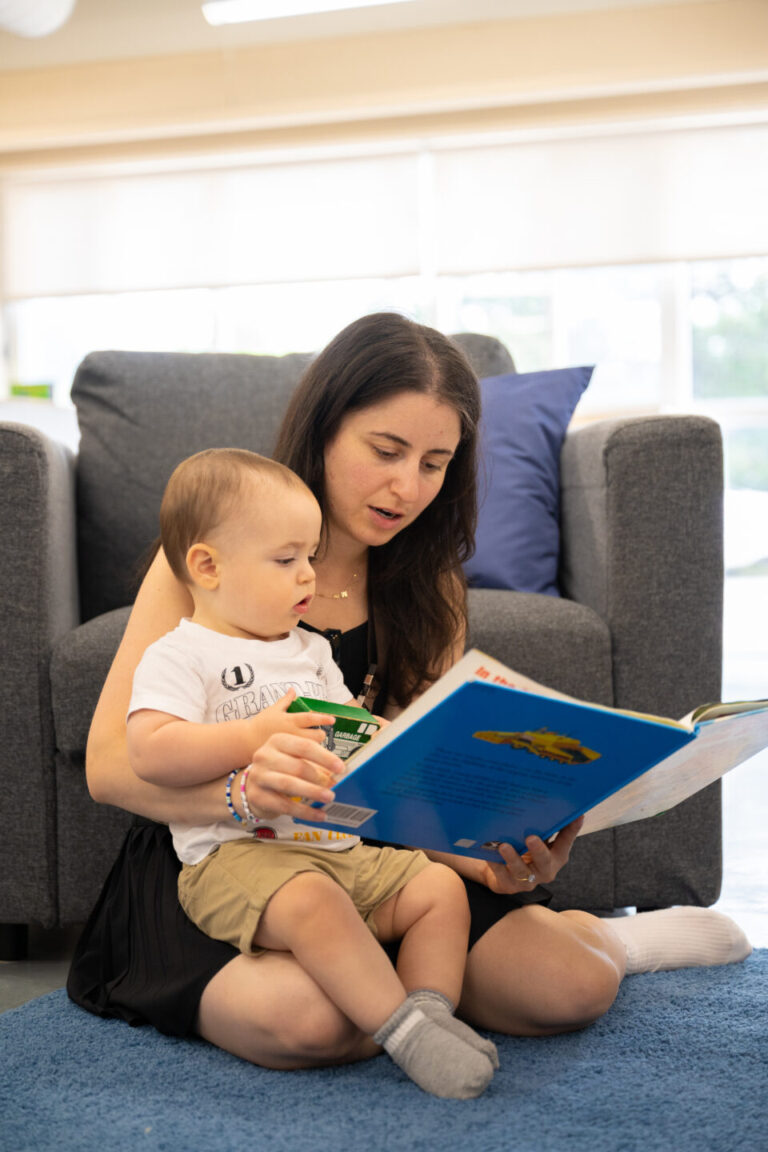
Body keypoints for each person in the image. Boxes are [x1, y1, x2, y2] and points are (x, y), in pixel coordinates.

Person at [69, 311, 751, 1071]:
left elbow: (397, 789)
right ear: (325, 428)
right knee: (317, 1024)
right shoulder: (218, 557)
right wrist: (244, 797)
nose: (407, 487)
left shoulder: (431, 586)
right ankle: (400, 998)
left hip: (364, 853)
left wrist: (484, 858)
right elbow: (109, 769)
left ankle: (620, 942)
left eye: (434, 463)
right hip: (219, 854)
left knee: (569, 988)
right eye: (386, 451)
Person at [126, 446, 497, 1098]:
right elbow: (149, 751)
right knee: (313, 901)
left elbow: (353, 731)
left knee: (438, 891)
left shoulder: (311, 653)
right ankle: (406, 1037)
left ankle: (428, 1012)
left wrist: (402, 747)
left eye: (310, 557)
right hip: (241, 858)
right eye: (285, 560)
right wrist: (249, 735)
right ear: (208, 567)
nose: (307, 576)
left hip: (338, 847)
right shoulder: (183, 654)